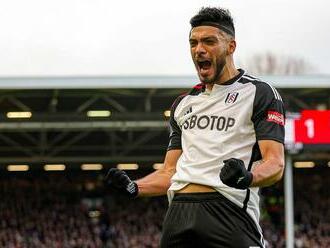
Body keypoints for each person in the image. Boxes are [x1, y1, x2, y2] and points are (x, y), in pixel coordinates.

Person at [105, 7, 285, 248]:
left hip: (228, 210)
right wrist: (135, 186)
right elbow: (170, 172)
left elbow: (275, 164)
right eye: (193, 43)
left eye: (209, 41)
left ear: (231, 46)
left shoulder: (259, 93)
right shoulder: (183, 104)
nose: (199, 49)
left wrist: (247, 177)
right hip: (179, 213)